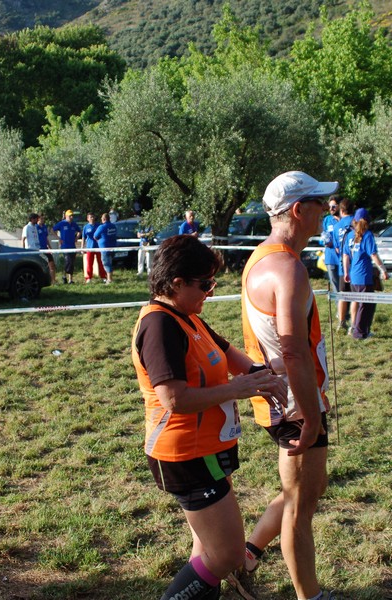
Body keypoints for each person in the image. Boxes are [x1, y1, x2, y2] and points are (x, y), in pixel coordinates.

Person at [132, 235, 287, 600]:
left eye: (213, 283)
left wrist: (263, 373)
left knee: (206, 548)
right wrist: (240, 388)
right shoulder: (160, 325)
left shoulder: (187, 317)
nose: (211, 292)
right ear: (176, 284)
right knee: (228, 554)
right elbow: (174, 399)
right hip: (184, 455)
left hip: (205, 450)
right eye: (204, 284)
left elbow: (230, 354)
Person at [241, 171, 339, 600]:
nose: (325, 210)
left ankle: (249, 552)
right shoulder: (288, 269)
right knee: (301, 508)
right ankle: (310, 597)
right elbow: (294, 353)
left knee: (304, 491)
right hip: (295, 408)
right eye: (318, 202)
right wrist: (312, 416)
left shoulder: (262, 257)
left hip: (282, 401)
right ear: (298, 210)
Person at [343, 208, 389, 339]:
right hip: (364, 276)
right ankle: (360, 333)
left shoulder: (350, 235)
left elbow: (345, 255)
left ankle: (358, 330)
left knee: (360, 304)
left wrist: (346, 272)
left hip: (353, 276)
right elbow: (373, 254)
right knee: (366, 306)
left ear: (355, 221)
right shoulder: (367, 235)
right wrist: (383, 270)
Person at [332, 198, 355, 331]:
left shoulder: (337, 226)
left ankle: (341, 322)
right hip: (356, 266)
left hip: (342, 266)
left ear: (341, 210)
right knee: (355, 297)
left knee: (342, 295)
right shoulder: (356, 223)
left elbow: (336, 248)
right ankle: (354, 324)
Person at [52, 210, 81, 284]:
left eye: (72, 216)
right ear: (66, 216)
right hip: (65, 246)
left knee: (72, 262)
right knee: (68, 261)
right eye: (70, 216)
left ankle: (70, 279)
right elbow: (53, 230)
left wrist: (76, 238)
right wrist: (59, 238)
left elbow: (79, 231)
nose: (71, 217)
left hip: (72, 246)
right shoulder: (62, 223)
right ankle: (64, 275)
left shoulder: (74, 224)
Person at [321, 196, 340, 294]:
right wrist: (325, 241)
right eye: (329, 206)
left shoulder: (346, 220)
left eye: (333, 206)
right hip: (331, 258)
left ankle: (349, 309)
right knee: (336, 288)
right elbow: (322, 236)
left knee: (346, 287)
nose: (331, 208)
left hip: (344, 258)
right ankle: (340, 309)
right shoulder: (327, 220)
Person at [81, 213, 107, 283]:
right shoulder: (86, 227)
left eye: (93, 217)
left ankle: (103, 276)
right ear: (88, 219)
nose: (92, 218)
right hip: (89, 247)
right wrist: (82, 247)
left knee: (101, 262)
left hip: (98, 247)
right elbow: (83, 237)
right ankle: (89, 278)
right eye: (90, 217)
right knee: (89, 263)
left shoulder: (99, 226)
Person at [94, 213, 117, 284]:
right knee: (111, 263)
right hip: (113, 247)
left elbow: (95, 236)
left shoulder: (101, 227)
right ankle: (110, 278)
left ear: (104, 219)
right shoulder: (114, 226)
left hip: (105, 249)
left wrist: (98, 241)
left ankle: (109, 280)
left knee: (107, 264)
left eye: (101, 218)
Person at [36, 214, 56, 284]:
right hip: (39, 249)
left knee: (52, 263)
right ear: (38, 219)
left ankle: (53, 280)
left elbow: (46, 238)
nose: (43, 220)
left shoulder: (44, 227)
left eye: (43, 219)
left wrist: (50, 247)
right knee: (42, 265)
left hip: (45, 248)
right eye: (41, 219)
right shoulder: (35, 227)